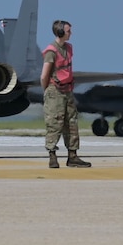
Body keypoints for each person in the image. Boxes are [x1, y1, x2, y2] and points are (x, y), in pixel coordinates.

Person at [39, 19, 91, 170]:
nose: (71, 33)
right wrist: (48, 91)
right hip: (55, 91)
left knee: (72, 123)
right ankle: (52, 156)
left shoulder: (68, 48)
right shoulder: (51, 51)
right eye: (68, 31)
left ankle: (73, 156)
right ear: (60, 32)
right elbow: (44, 76)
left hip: (67, 90)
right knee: (55, 124)